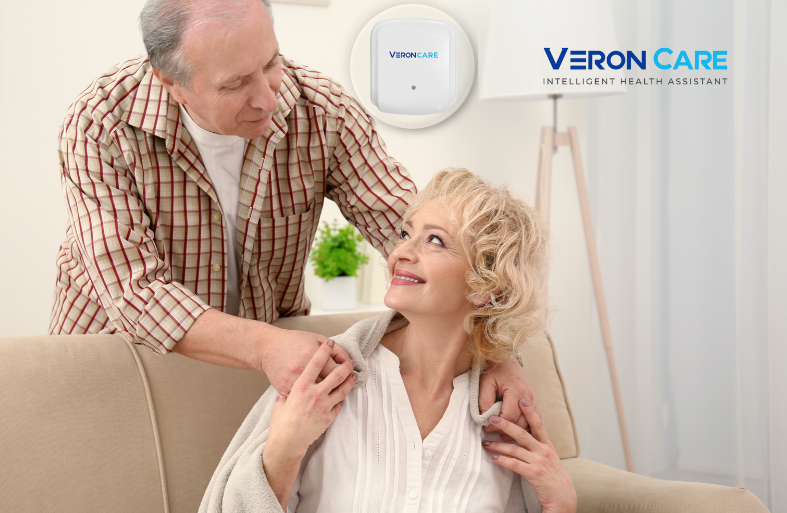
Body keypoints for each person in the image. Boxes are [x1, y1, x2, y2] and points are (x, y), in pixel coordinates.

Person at [48, 0, 538, 433]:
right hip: (120, 357)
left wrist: (495, 353)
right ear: (171, 83)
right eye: (235, 84)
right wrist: (265, 346)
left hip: (264, 362)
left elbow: (413, 230)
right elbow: (134, 292)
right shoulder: (100, 125)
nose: (268, 97)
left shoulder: (324, 112)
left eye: (271, 63)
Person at [261, 168, 586, 513]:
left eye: (434, 240)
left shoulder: (496, 419)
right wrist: (284, 449)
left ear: (485, 285)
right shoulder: (329, 379)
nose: (401, 252)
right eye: (405, 233)